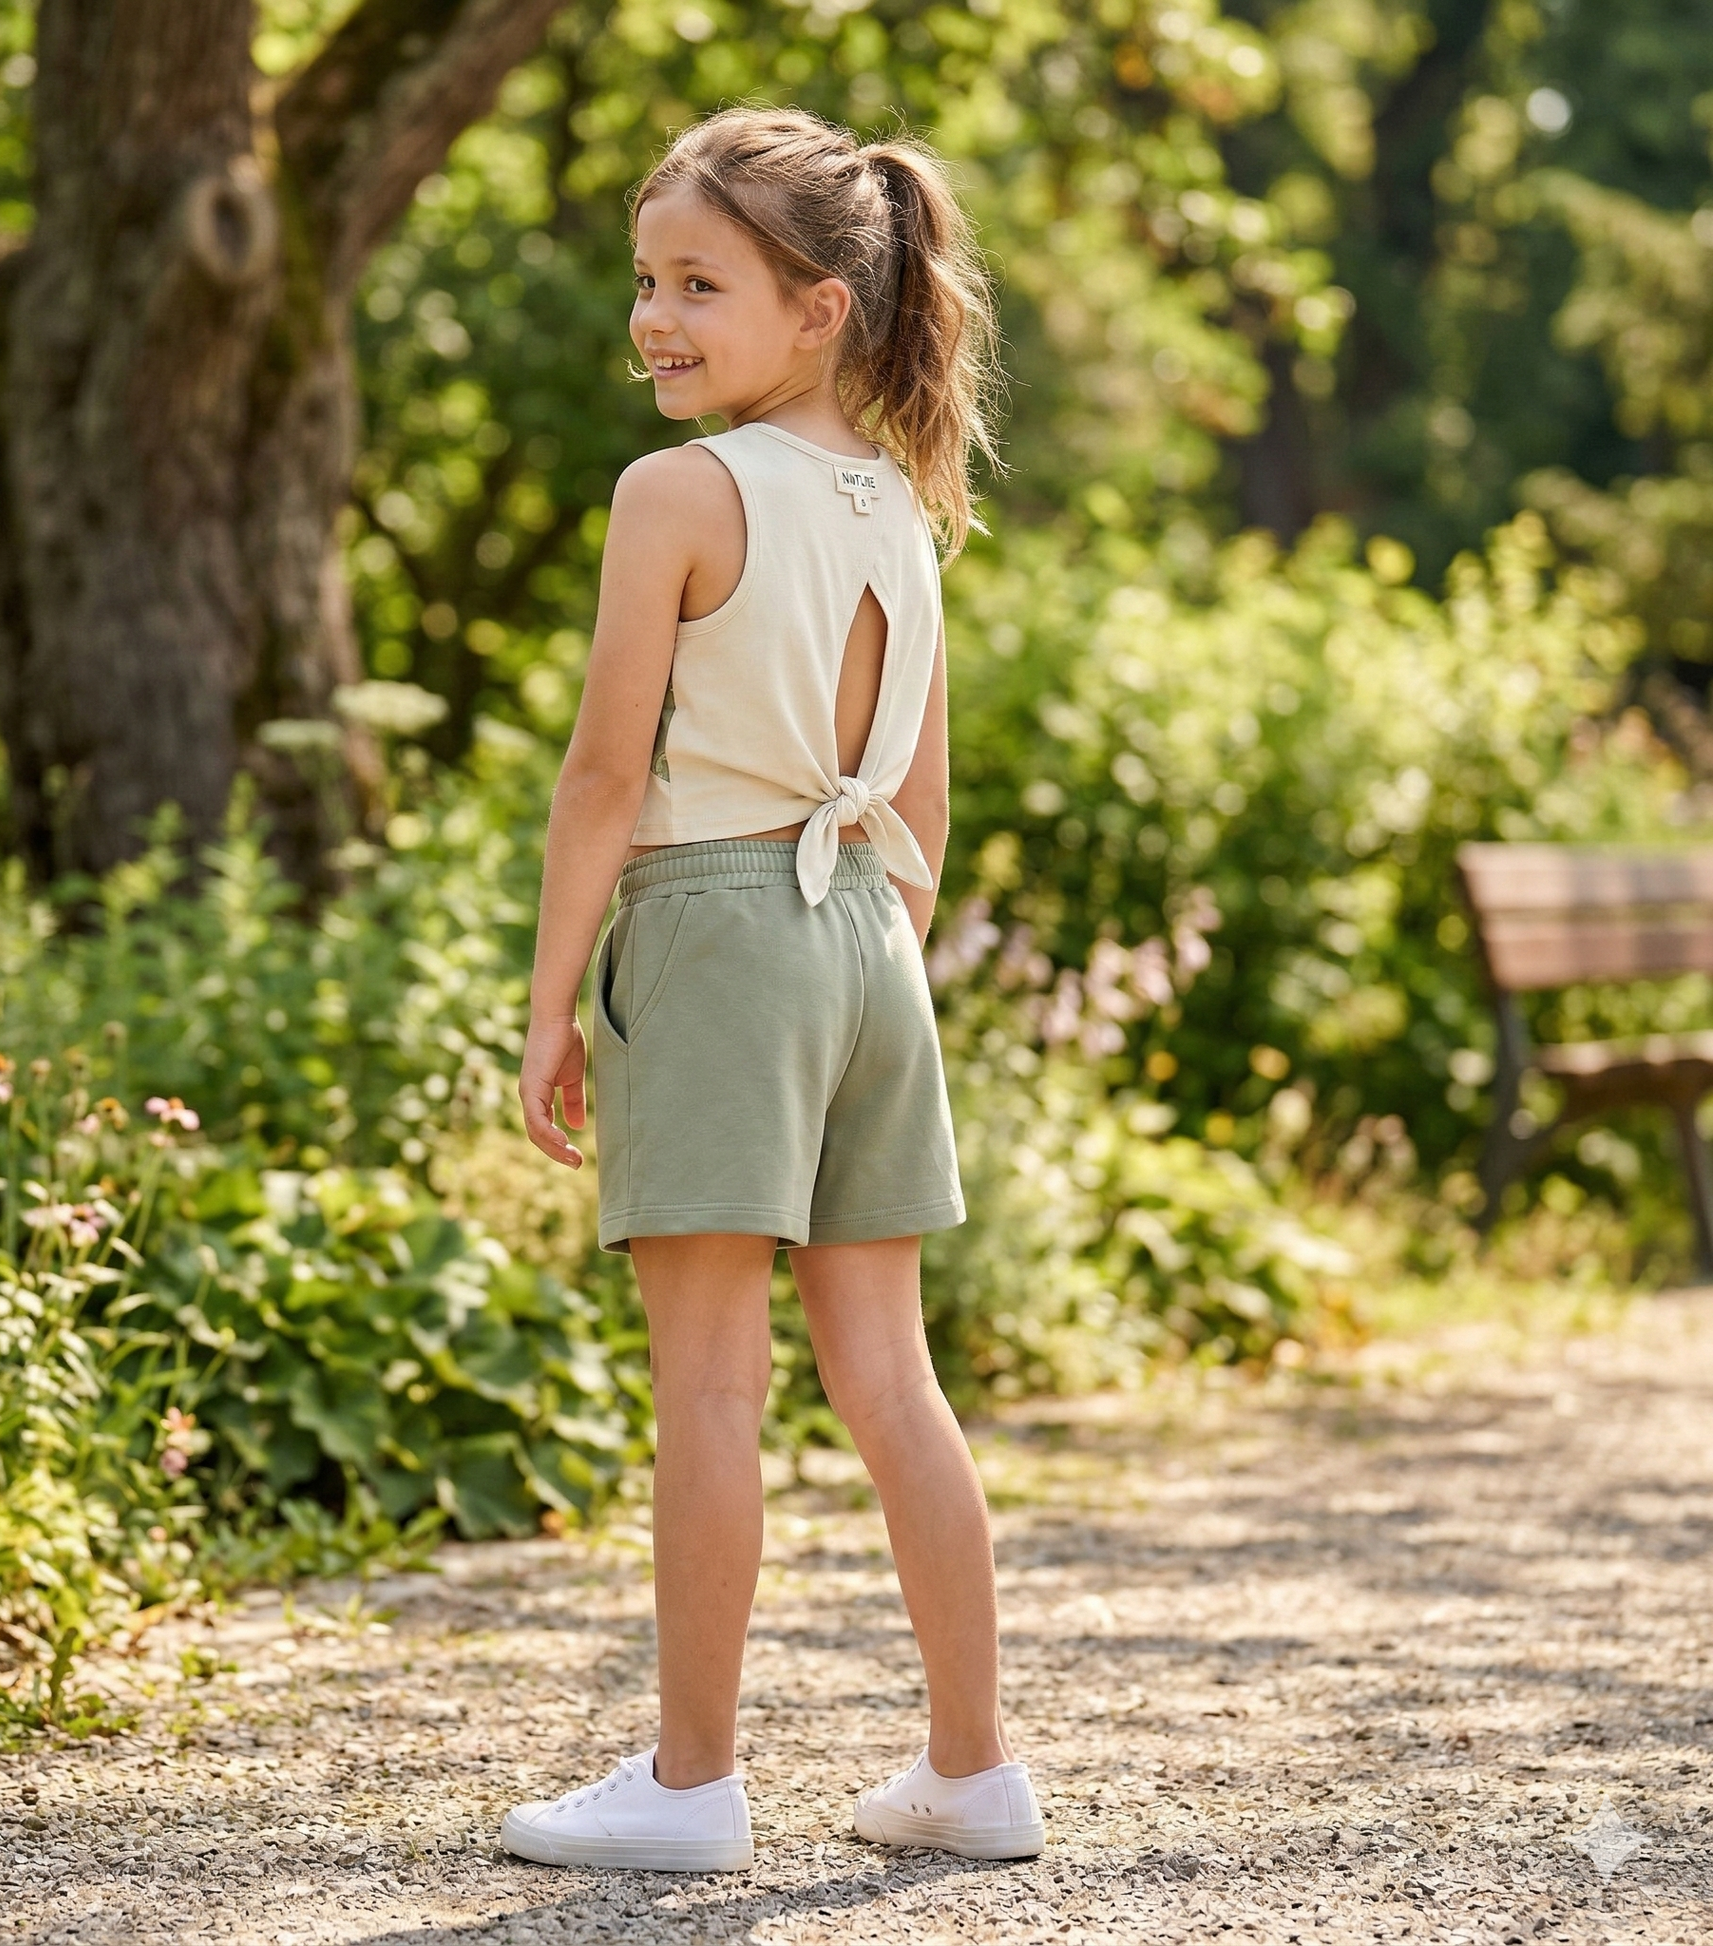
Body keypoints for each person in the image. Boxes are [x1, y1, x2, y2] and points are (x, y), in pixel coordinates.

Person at [501, 106, 1043, 1874]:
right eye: (645, 281)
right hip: (868, 937)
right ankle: (971, 1770)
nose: (654, 318)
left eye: (697, 285)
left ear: (817, 308)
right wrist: (861, 962)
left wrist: (554, 997)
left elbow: (601, 777)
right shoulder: (908, 507)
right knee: (891, 1379)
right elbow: (923, 810)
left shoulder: (678, 493)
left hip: (722, 924)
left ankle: (690, 1780)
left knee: (711, 1383)